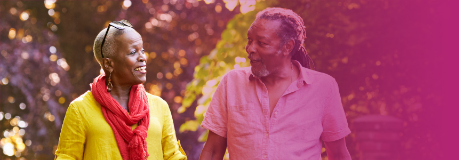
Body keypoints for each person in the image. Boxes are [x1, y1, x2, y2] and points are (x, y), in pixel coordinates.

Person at [199, 8, 351, 160]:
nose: (250, 49)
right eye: (249, 40)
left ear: (287, 47)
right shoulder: (232, 83)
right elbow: (212, 151)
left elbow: (338, 154)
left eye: (262, 43)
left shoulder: (323, 88)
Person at [55, 20, 186, 160]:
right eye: (133, 52)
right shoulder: (80, 109)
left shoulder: (160, 106)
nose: (142, 57)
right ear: (109, 64)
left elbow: (173, 156)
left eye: (142, 50)